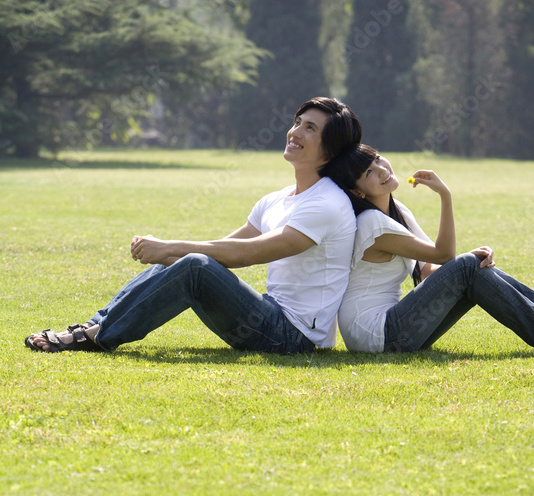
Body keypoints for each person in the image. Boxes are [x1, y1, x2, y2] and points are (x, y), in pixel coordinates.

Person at [25, 97, 362, 356]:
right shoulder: (278, 199)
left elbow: (251, 253)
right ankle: (95, 326)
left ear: (331, 150)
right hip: (269, 316)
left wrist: (170, 247)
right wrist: (168, 256)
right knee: (191, 262)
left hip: (292, 337)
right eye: (297, 122)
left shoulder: (327, 203)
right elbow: (221, 252)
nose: (295, 132)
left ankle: (96, 336)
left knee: (193, 263)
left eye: (310, 129)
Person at [320, 144, 534, 354]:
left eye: (377, 160)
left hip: (387, 332)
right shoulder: (373, 223)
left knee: (476, 268)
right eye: (369, 173)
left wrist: (465, 264)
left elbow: (430, 270)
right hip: (375, 334)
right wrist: (445, 195)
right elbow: (444, 257)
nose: (381, 170)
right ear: (357, 191)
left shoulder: (397, 211)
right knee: (468, 267)